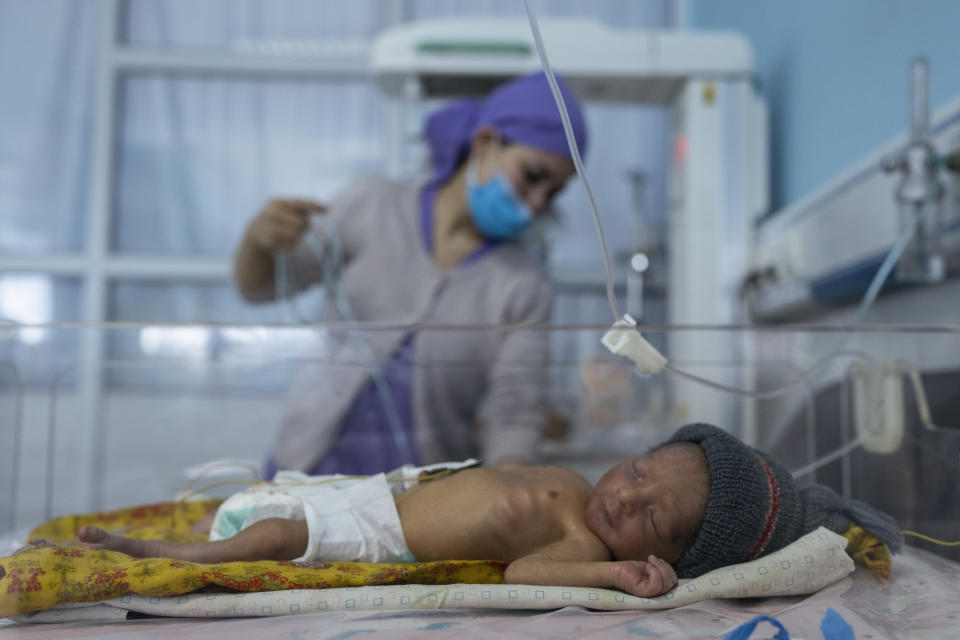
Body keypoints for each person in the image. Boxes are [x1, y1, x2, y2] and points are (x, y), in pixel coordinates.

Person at [232, 72, 589, 478]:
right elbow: (259, 287)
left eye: (554, 193)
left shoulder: (522, 284)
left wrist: (504, 488)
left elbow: (517, 408)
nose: (537, 204)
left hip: (421, 502)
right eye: (533, 176)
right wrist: (257, 243)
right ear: (486, 143)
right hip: (307, 467)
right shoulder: (373, 205)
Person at [77, 423, 903, 598]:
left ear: (677, 556)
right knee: (261, 505)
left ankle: (168, 561)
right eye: (643, 467)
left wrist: (620, 572)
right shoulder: (586, 490)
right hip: (375, 489)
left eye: (653, 520)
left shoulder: (580, 536)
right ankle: (185, 534)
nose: (628, 493)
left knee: (274, 537)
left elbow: (523, 570)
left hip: (376, 533)